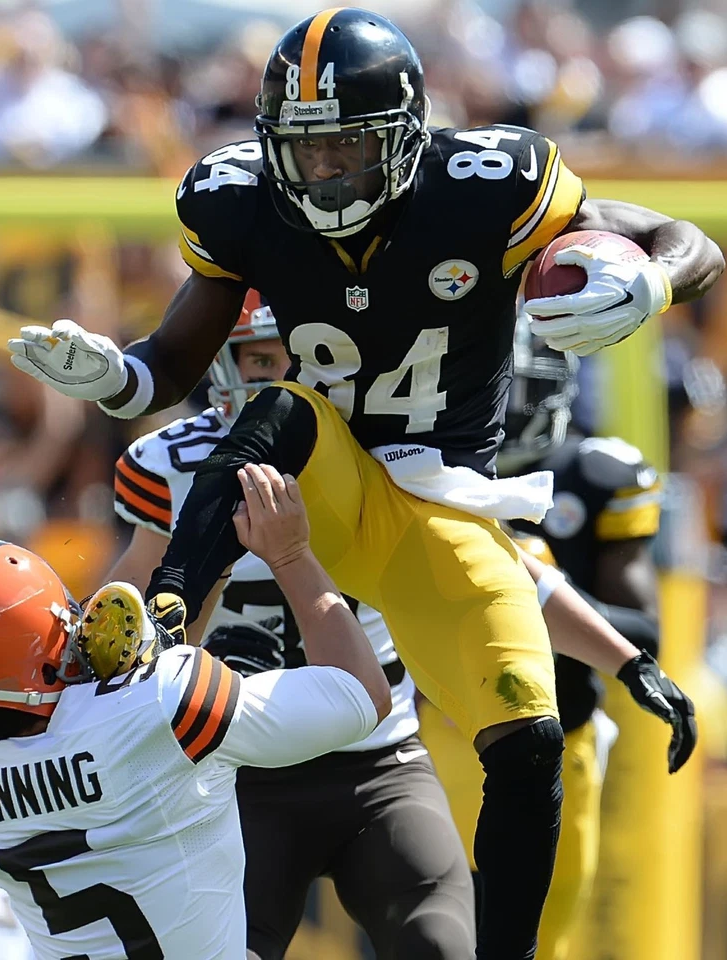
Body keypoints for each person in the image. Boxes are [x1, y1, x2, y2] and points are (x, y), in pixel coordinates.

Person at [7, 9, 719, 956]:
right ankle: (169, 613)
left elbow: (683, 239)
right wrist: (115, 379)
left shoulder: (488, 183)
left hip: (440, 508)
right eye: (301, 152)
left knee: (531, 735)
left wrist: (653, 282)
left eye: (345, 147)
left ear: (403, 138)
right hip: (316, 479)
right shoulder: (239, 202)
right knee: (288, 409)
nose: (321, 173)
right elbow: (170, 368)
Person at [109, 291, 477, 960]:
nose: (285, 378)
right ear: (222, 364)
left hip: (379, 760)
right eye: (261, 358)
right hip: (235, 770)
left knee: (440, 945)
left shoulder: (388, 447)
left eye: (304, 357)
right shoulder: (170, 466)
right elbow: (132, 646)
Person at [0, 464, 392, 960]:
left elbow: (119, 727)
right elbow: (365, 693)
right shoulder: (166, 701)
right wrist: (292, 553)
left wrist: (215, 568)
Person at [421, 322, 666, 960]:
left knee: (536, 941)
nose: (496, 399)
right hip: (439, 731)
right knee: (429, 935)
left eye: (510, 382)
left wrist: (538, 589)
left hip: (559, 735)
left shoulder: (594, 473)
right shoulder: (423, 467)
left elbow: (644, 631)